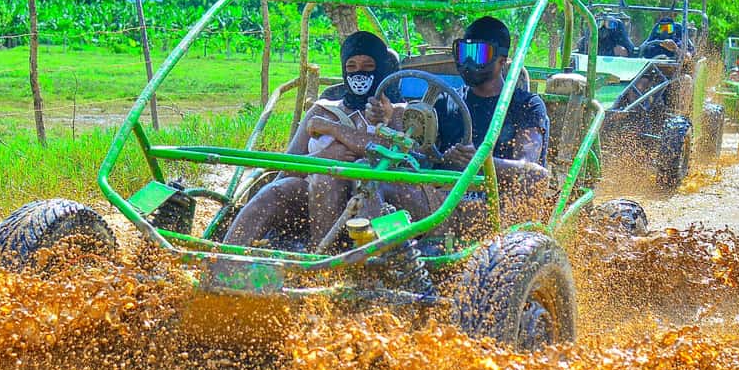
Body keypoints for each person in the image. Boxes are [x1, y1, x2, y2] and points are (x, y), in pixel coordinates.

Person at [223, 31, 403, 249]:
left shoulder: (398, 112)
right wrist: (324, 157)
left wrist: (334, 130)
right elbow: (286, 169)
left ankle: (331, 261)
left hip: (375, 197)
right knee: (278, 189)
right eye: (351, 67)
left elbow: (398, 155)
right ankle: (223, 256)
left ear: (381, 69)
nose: (359, 73)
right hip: (313, 197)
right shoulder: (323, 109)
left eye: (368, 67)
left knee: (339, 177)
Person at [386, 16, 549, 234]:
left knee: (533, 177)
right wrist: (445, 159)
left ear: (501, 60)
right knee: (382, 184)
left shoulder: (526, 105)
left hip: (498, 208)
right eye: (464, 54)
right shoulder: (446, 102)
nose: (469, 64)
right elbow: (424, 159)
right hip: (446, 203)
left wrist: (481, 162)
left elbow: (529, 168)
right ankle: (381, 251)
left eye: (478, 55)